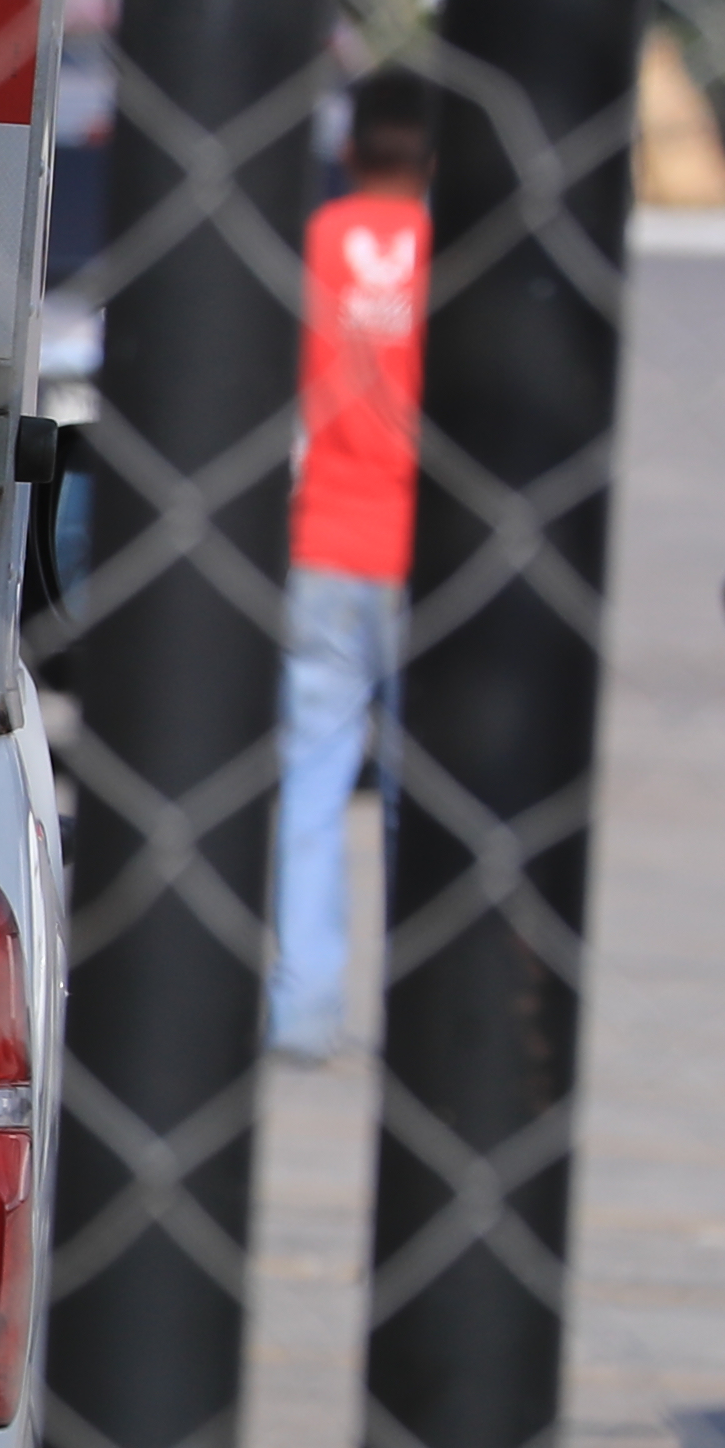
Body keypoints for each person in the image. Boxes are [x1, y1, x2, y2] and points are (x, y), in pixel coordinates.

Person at [272, 66, 435, 1058]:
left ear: (348, 147)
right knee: (433, 798)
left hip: (325, 537)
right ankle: (425, 1010)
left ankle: (301, 1006)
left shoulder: (315, 250)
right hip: (428, 549)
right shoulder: (461, 254)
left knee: (310, 782)